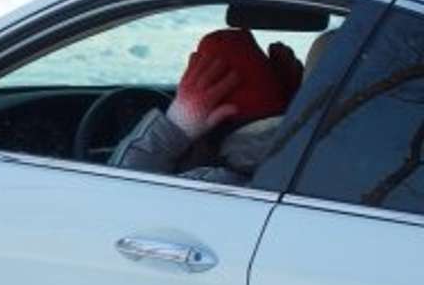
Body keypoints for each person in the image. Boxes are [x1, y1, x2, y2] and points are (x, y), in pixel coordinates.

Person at [109, 27, 323, 184]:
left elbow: (116, 193)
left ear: (215, 119)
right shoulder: (318, 157)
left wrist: (174, 128)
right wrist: (301, 105)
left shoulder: (215, 183)